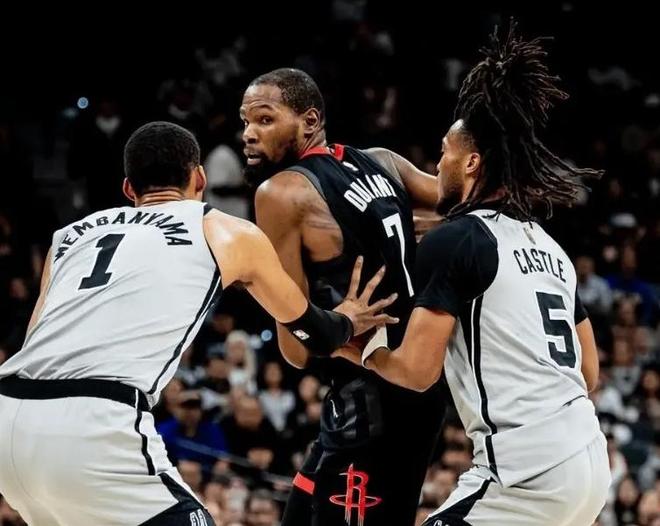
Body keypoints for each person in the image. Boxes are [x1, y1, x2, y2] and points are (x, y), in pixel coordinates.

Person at [0, 121, 396, 525]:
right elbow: (311, 330)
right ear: (200, 178)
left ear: (129, 189)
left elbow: (35, 338)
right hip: (94, 421)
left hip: (8, 415)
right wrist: (346, 321)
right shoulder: (222, 229)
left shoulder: (68, 238)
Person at [336, 23, 611, 525]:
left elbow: (417, 372)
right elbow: (588, 374)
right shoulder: (549, 247)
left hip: (525, 471)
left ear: (472, 163)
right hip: (589, 461)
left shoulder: (456, 241)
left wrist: (359, 345)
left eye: (445, 151)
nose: (438, 162)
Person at [241, 68, 445, 526]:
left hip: (371, 400)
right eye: (246, 121)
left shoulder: (281, 192)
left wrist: (342, 322)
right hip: (415, 390)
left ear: (310, 121)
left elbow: (295, 350)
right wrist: (430, 230)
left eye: (265, 119)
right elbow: (468, 203)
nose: (249, 134)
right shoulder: (383, 162)